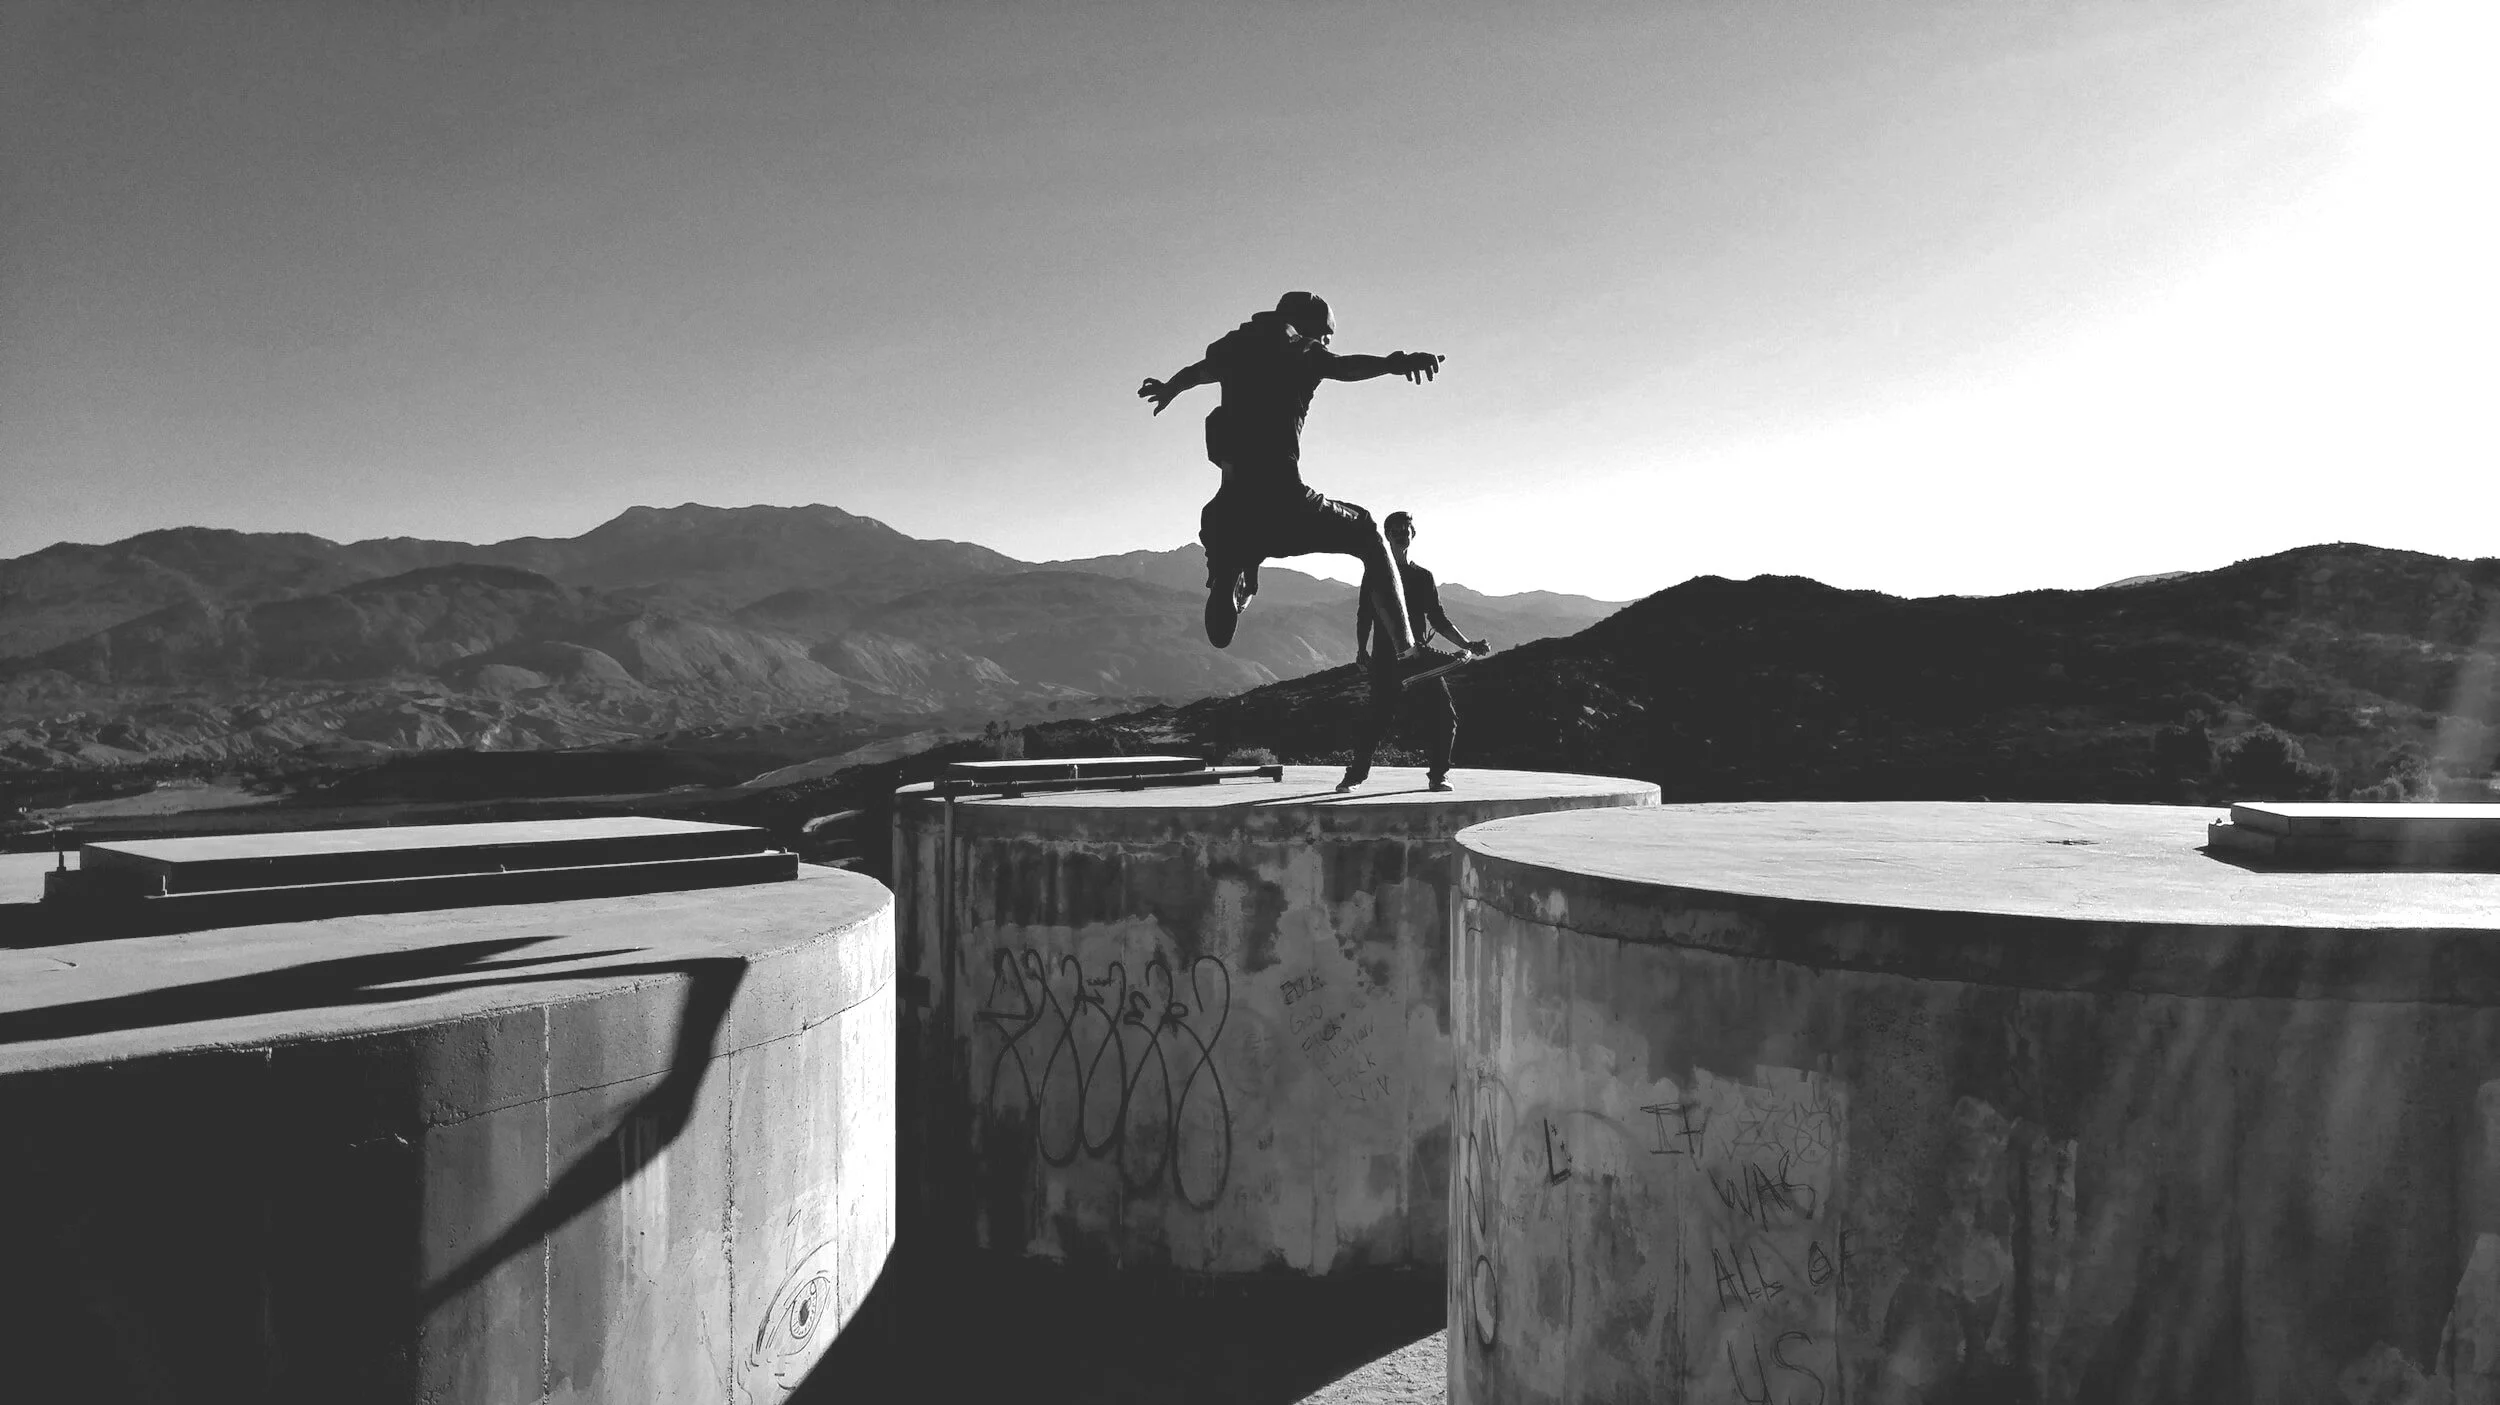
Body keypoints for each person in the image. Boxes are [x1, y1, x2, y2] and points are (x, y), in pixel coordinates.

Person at [1138, 291, 1444, 653]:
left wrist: (1170, 388)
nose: (1327, 341)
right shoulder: (1301, 352)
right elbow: (1346, 367)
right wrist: (1397, 362)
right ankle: (1408, 651)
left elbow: (1198, 373)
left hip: (1226, 510)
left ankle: (1235, 570)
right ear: (1309, 323)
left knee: (1244, 536)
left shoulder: (1234, 349)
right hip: (1285, 503)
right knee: (1367, 531)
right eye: (1326, 333)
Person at [1339, 511, 1490, 793]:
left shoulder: (1423, 577)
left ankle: (1439, 776)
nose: (1400, 532)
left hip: (1420, 659)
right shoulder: (1375, 574)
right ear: (1386, 535)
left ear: (1413, 533)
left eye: (1405, 528)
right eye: (1394, 529)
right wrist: (1361, 650)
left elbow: (1438, 618)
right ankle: (1354, 777)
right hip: (1385, 658)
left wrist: (1467, 645)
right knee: (1377, 718)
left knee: (1444, 716)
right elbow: (1365, 615)